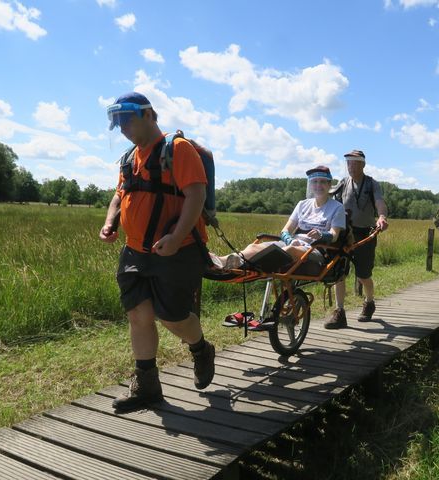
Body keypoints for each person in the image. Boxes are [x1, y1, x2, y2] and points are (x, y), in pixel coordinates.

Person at [99, 92, 215, 411]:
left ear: (149, 114)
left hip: (177, 251)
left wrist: (177, 238)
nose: (121, 126)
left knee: (172, 317)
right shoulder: (128, 158)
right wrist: (111, 223)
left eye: (127, 118)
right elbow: (119, 195)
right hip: (135, 252)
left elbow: (196, 195)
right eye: (117, 121)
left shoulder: (178, 149)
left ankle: (201, 348)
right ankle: (147, 387)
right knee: (139, 316)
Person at [217, 165, 345, 272]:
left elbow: (334, 235)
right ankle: (220, 262)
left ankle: (244, 266)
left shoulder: (337, 207)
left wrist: (321, 234)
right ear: (311, 185)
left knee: (288, 250)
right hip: (292, 244)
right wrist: (290, 240)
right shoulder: (302, 204)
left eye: (322, 181)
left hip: (315, 250)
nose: (318, 185)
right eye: (315, 182)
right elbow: (285, 230)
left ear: (329, 185)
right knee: (254, 247)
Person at [324, 149, 388, 329]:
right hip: (344, 233)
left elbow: (379, 201)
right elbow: (330, 198)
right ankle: (339, 312)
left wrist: (382, 217)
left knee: (363, 275)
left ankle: (369, 302)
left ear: (363, 164)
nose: (350, 166)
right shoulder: (343, 182)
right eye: (348, 162)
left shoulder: (371, 184)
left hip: (364, 234)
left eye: (354, 162)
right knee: (339, 273)